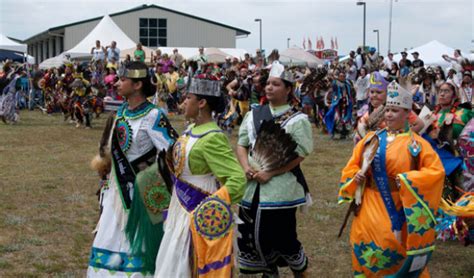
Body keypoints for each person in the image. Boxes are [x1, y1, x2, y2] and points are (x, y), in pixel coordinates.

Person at [338, 80, 445, 277]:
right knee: (362, 241)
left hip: (399, 205)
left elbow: (436, 172)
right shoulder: (371, 139)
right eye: (387, 110)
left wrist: (408, 180)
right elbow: (351, 166)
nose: (388, 114)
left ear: (407, 114)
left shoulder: (417, 144)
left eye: (395, 111)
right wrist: (356, 176)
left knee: (391, 244)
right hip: (369, 202)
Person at [87, 61, 178, 277]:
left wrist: (154, 178)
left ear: (137, 85)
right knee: (109, 238)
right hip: (115, 193)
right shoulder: (120, 113)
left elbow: (175, 153)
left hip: (141, 196)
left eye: (123, 79)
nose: (117, 83)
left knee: (136, 248)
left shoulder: (153, 115)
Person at [154, 76, 246, 277]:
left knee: (190, 264)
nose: (183, 103)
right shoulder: (191, 129)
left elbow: (237, 180)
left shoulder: (213, 137)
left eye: (188, 98)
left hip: (197, 210)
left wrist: (211, 211)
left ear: (202, 103)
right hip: (180, 207)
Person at [236, 61, 313, 277]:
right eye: (268, 83)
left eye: (276, 84)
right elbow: (242, 143)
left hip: (281, 189)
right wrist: (245, 167)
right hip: (251, 188)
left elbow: (301, 153)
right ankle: (268, 273)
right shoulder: (253, 115)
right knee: (249, 235)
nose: (269, 87)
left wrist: (271, 172)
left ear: (288, 89)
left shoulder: (298, 120)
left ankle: (301, 270)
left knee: (282, 236)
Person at [354, 72, 425, 144]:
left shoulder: (398, 108)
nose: (374, 95)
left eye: (379, 92)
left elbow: (420, 124)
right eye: (372, 92)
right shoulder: (367, 110)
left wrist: (400, 137)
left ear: (388, 93)